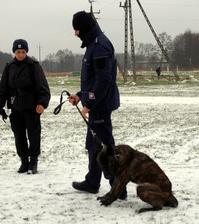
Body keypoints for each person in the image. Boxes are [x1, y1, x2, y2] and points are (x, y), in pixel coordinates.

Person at [68, 11, 127, 199]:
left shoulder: (100, 45)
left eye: (77, 29)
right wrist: (79, 96)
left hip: (100, 105)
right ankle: (92, 182)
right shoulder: (93, 44)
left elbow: (103, 81)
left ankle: (119, 188)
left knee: (105, 147)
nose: (75, 33)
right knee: (93, 145)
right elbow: (93, 79)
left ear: (84, 27)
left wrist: (90, 103)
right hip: (96, 104)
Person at [0, 39, 50, 174]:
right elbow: (3, 88)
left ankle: (33, 161)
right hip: (15, 107)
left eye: (23, 52)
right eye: (18, 52)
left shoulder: (33, 66)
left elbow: (43, 87)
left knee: (33, 135)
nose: (20, 54)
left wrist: (42, 103)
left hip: (31, 108)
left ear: (26, 52)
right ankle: (24, 161)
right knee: (19, 136)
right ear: (14, 52)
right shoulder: (9, 67)